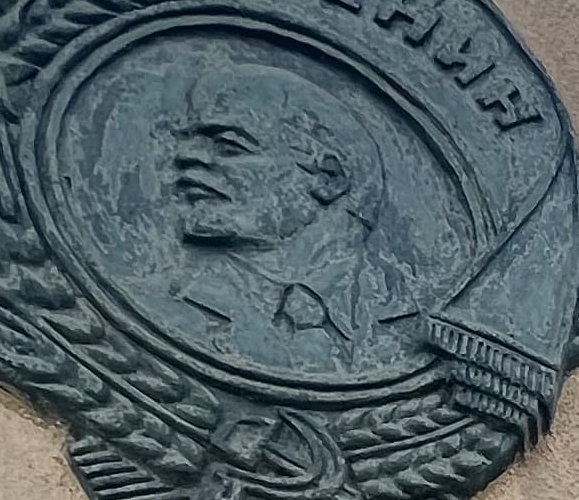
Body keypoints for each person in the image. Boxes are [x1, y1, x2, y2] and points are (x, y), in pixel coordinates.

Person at [161, 61, 409, 379]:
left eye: (228, 145)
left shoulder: (415, 323)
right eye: (190, 141)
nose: (188, 156)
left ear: (328, 179)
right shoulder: (153, 301)